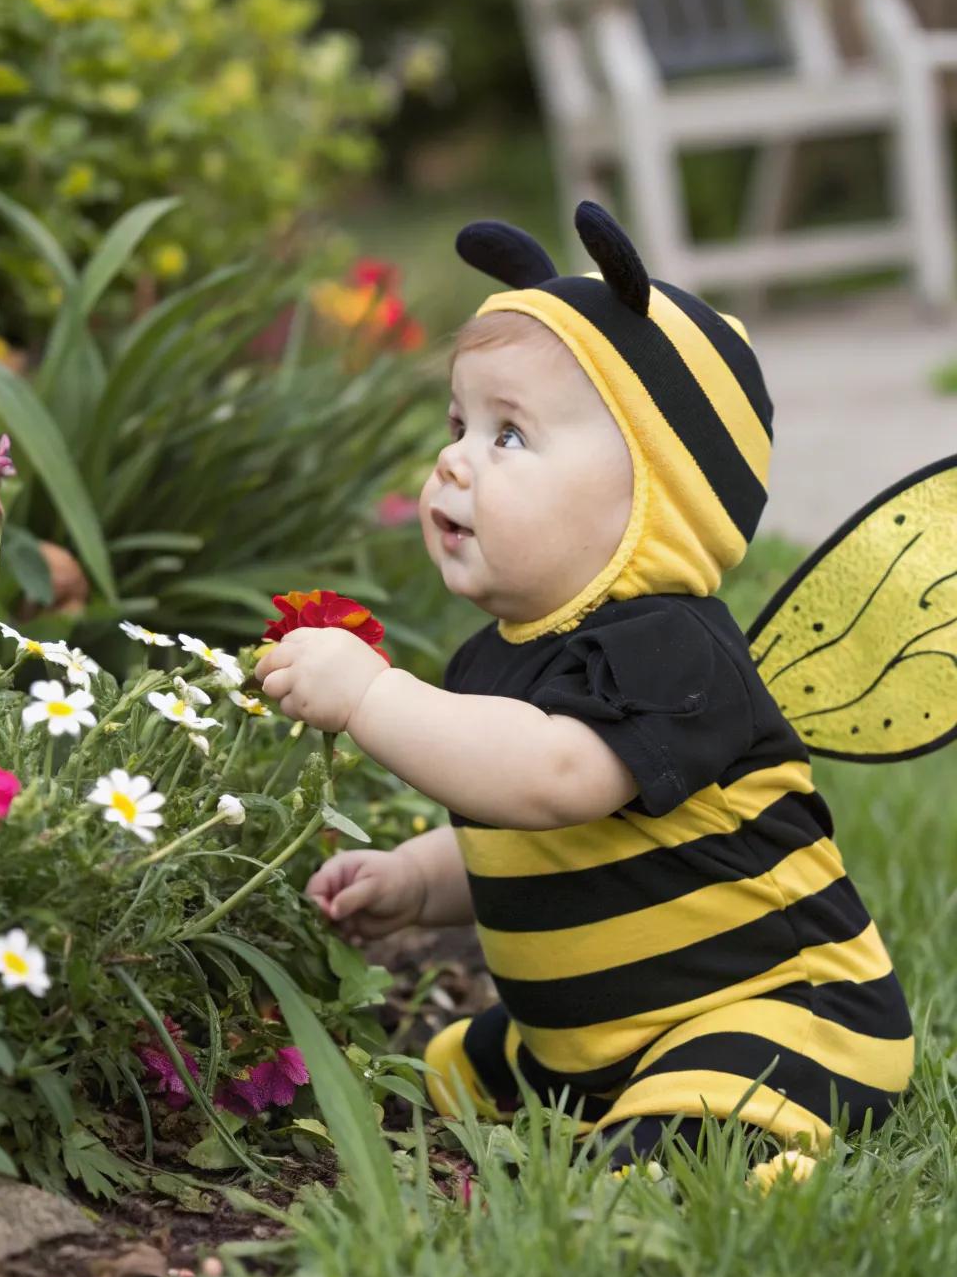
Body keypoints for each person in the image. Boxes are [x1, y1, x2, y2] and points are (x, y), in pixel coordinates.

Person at [258, 200, 944, 1174]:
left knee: (689, 1126)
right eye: (458, 423)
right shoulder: (493, 659)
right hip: (607, 1036)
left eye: (508, 435)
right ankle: (589, 1092)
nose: (452, 458)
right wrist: (415, 880)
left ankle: (739, 1161)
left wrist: (373, 698)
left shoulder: (673, 646)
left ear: (653, 496)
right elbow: (525, 838)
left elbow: (556, 782)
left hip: (775, 1010)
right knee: (453, 1070)